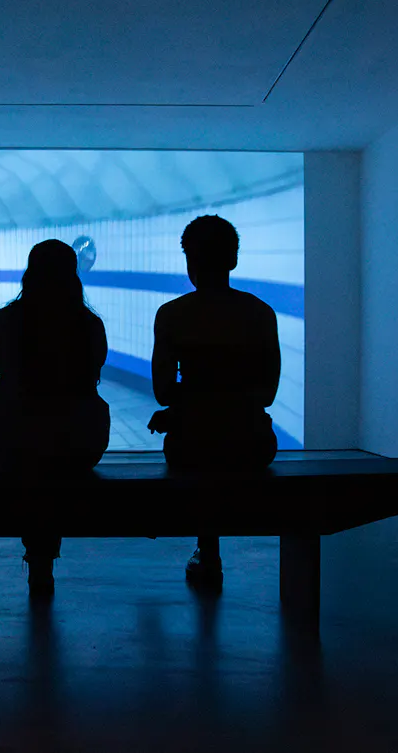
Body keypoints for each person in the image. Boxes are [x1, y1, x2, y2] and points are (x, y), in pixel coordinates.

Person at [0, 239, 111, 598]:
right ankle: (43, 559)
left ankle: (38, 560)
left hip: (16, 447)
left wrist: (7, 409)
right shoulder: (92, 326)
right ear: (74, 276)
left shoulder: (1, 323)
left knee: (30, 459)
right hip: (80, 446)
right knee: (51, 459)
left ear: (30, 274)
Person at [148, 215, 281, 592]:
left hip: (191, 444)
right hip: (252, 444)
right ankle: (209, 550)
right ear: (233, 260)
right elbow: (266, 393)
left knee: (199, 454)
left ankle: (208, 551)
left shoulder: (172, 314)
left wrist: (183, 409)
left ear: (190, 261)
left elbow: (163, 391)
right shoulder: (260, 313)